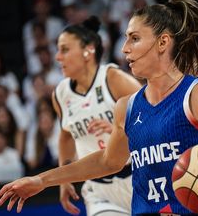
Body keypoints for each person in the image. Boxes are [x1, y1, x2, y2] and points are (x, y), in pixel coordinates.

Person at [0, 0, 198, 215]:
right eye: (125, 38)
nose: (124, 48)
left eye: (134, 38)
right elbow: (107, 161)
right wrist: (42, 180)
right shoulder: (127, 106)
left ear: (162, 42)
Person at [53, 16, 143, 216]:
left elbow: (154, 121)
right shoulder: (60, 94)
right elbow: (66, 136)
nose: (58, 57)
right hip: (99, 190)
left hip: (139, 180)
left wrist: (119, 132)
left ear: (88, 50)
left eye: (65, 49)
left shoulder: (114, 80)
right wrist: (64, 178)